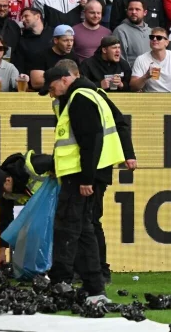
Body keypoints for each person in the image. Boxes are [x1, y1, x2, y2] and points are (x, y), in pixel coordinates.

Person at [39, 63, 126, 302]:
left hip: (81, 175)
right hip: (85, 173)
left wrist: (86, 178)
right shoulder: (89, 93)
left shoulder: (79, 98)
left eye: (52, 86)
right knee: (83, 228)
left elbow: (90, 141)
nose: (51, 92)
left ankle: (65, 281)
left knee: (70, 227)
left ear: (65, 80)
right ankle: (92, 286)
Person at [0, 150, 54, 267]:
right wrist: (2, 252)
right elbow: (5, 220)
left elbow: (60, 164)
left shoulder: (34, 165)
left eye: (2, 190)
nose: (3, 194)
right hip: (50, 209)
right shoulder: (7, 193)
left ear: (8, 180)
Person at [30, 25, 80, 89]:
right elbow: (36, 82)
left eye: (71, 40)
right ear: (56, 40)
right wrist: (66, 80)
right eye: (65, 40)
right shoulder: (41, 55)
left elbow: (78, 77)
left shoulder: (73, 56)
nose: (69, 44)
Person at [113, 0, 152, 65]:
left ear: (145, 12)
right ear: (127, 11)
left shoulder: (151, 31)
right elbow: (120, 59)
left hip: (151, 73)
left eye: (137, 9)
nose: (134, 12)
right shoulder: (120, 31)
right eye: (131, 9)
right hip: (131, 74)